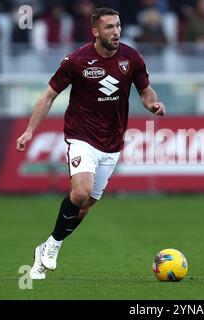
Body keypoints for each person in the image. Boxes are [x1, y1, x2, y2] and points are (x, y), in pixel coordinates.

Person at [16, 7, 165, 280]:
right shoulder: (77, 60)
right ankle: (52, 247)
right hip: (81, 135)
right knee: (81, 192)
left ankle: (50, 245)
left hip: (112, 143)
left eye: (118, 26)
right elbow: (48, 96)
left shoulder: (132, 58)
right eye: (109, 27)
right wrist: (29, 131)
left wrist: (152, 104)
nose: (116, 32)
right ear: (95, 31)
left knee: (85, 206)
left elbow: (145, 91)